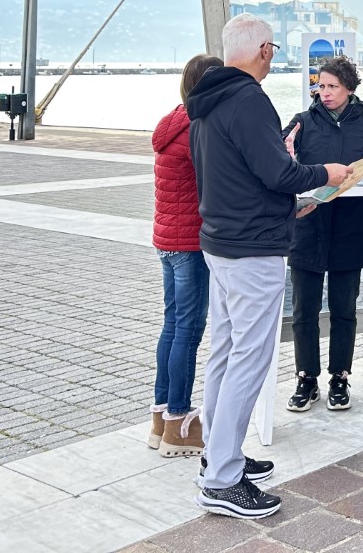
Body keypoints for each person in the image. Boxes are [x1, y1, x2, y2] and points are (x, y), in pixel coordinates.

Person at [187, 15, 352, 520]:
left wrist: (284, 204)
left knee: (226, 353)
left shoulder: (205, 101)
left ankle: (219, 454)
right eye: (273, 49)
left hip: (221, 242)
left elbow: (235, 175)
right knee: (250, 359)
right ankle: (221, 479)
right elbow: (277, 172)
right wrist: (326, 172)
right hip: (252, 250)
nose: (272, 57)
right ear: (263, 50)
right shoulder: (249, 99)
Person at [282, 55, 363, 413]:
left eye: (332, 86)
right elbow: (279, 165)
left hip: (350, 229)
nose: (325, 92)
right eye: (321, 86)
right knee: (304, 310)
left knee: (344, 309)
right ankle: (306, 378)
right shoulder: (301, 123)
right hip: (308, 227)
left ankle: (340, 377)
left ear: (349, 88)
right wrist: (285, 152)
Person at [147, 53, 222, 458]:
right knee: (189, 332)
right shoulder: (199, 128)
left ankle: (160, 419)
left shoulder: (173, 121)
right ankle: (178, 423)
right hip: (190, 244)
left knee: (173, 326)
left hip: (167, 241)